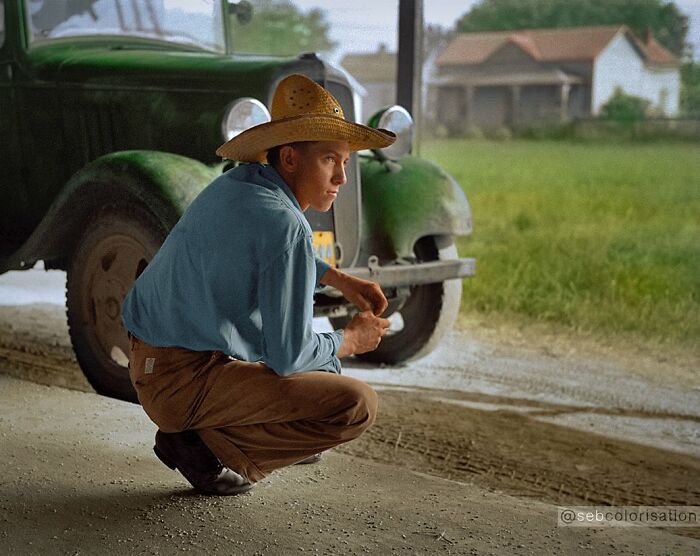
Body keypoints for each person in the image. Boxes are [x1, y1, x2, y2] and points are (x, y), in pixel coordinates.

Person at [122, 74, 396, 496]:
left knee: (322, 368)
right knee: (355, 405)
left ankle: (211, 431)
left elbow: (263, 246)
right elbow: (288, 356)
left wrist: (336, 277)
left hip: (152, 362)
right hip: (181, 381)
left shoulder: (239, 185)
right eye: (329, 160)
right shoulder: (287, 225)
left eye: (345, 161)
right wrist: (352, 339)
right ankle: (203, 446)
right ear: (289, 159)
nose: (341, 177)